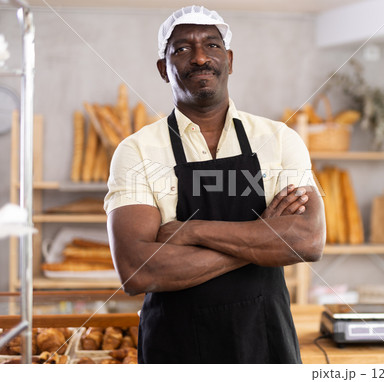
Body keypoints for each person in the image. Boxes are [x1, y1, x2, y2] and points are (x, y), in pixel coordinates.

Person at [104, 5, 326, 364]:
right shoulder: (136, 152)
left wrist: (189, 232)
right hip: (174, 349)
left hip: (265, 342)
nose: (200, 57)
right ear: (164, 68)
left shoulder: (280, 139)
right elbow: (137, 270)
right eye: (181, 49)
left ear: (230, 59)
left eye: (212, 45)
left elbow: (307, 241)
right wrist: (263, 237)